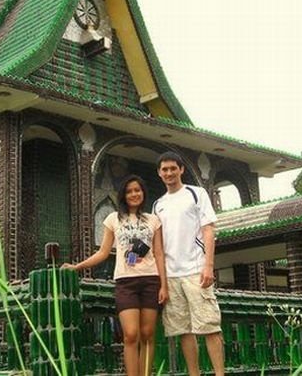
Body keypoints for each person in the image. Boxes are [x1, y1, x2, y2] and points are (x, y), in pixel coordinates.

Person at [63, 175, 167, 376]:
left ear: (143, 193)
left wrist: (164, 285)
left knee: (147, 334)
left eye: (137, 190)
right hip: (125, 282)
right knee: (130, 335)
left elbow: (160, 253)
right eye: (129, 191)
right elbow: (103, 252)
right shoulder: (113, 219)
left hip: (150, 281)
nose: (134, 194)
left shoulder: (153, 220)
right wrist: (78, 267)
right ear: (123, 195)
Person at [153, 151, 224, 375]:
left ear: (181, 169)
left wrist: (208, 266)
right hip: (171, 275)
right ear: (159, 173)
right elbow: (157, 245)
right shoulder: (158, 205)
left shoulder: (196, 193)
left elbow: (209, 229)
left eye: (173, 168)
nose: (169, 173)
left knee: (210, 327)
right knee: (184, 330)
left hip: (196, 271)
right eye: (164, 169)